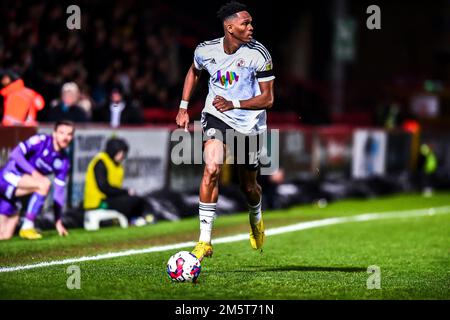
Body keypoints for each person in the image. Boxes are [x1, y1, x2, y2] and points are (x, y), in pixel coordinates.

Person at [175, 1, 275, 260]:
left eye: (251, 22)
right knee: (211, 168)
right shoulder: (205, 50)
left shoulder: (259, 54)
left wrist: (234, 103)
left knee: (249, 186)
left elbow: (268, 99)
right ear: (230, 27)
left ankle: (256, 218)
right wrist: (184, 107)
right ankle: (204, 241)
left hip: (250, 122)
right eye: (245, 23)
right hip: (216, 115)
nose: (251, 27)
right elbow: (194, 72)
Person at [0, 120, 74, 240]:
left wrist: (58, 221)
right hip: (7, 177)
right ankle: (27, 226)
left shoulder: (64, 161)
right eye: (62, 133)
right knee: (44, 184)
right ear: (54, 133)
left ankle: (25, 224)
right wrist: (34, 173)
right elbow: (15, 154)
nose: (65, 137)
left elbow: (59, 193)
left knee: (4, 236)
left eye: (69, 134)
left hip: (14, 193)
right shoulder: (41, 141)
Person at [83, 137, 152, 225]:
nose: (122, 156)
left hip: (109, 199)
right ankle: (132, 220)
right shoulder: (101, 162)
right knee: (130, 201)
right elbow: (104, 188)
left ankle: (141, 218)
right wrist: (125, 191)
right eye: (120, 153)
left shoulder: (117, 166)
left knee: (138, 199)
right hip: (99, 202)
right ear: (113, 151)